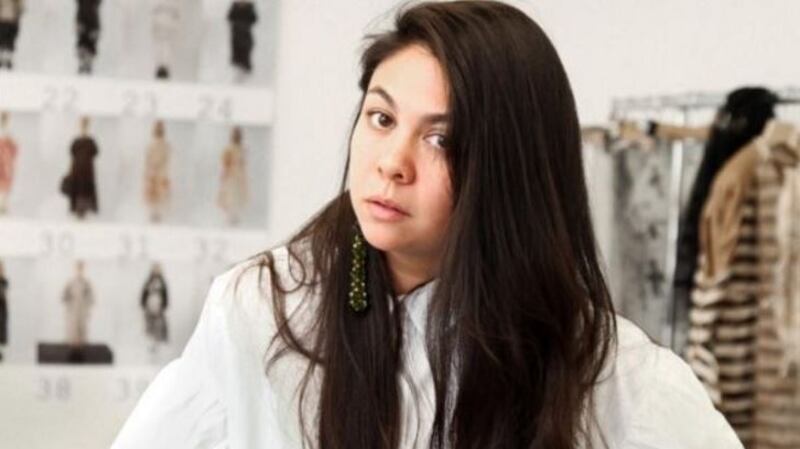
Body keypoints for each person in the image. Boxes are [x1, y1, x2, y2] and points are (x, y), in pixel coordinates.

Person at [112, 2, 743, 448]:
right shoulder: (263, 308)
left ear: (510, 170)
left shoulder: (612, 377)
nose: (392, 164)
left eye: (441, 139)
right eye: (382, 119)